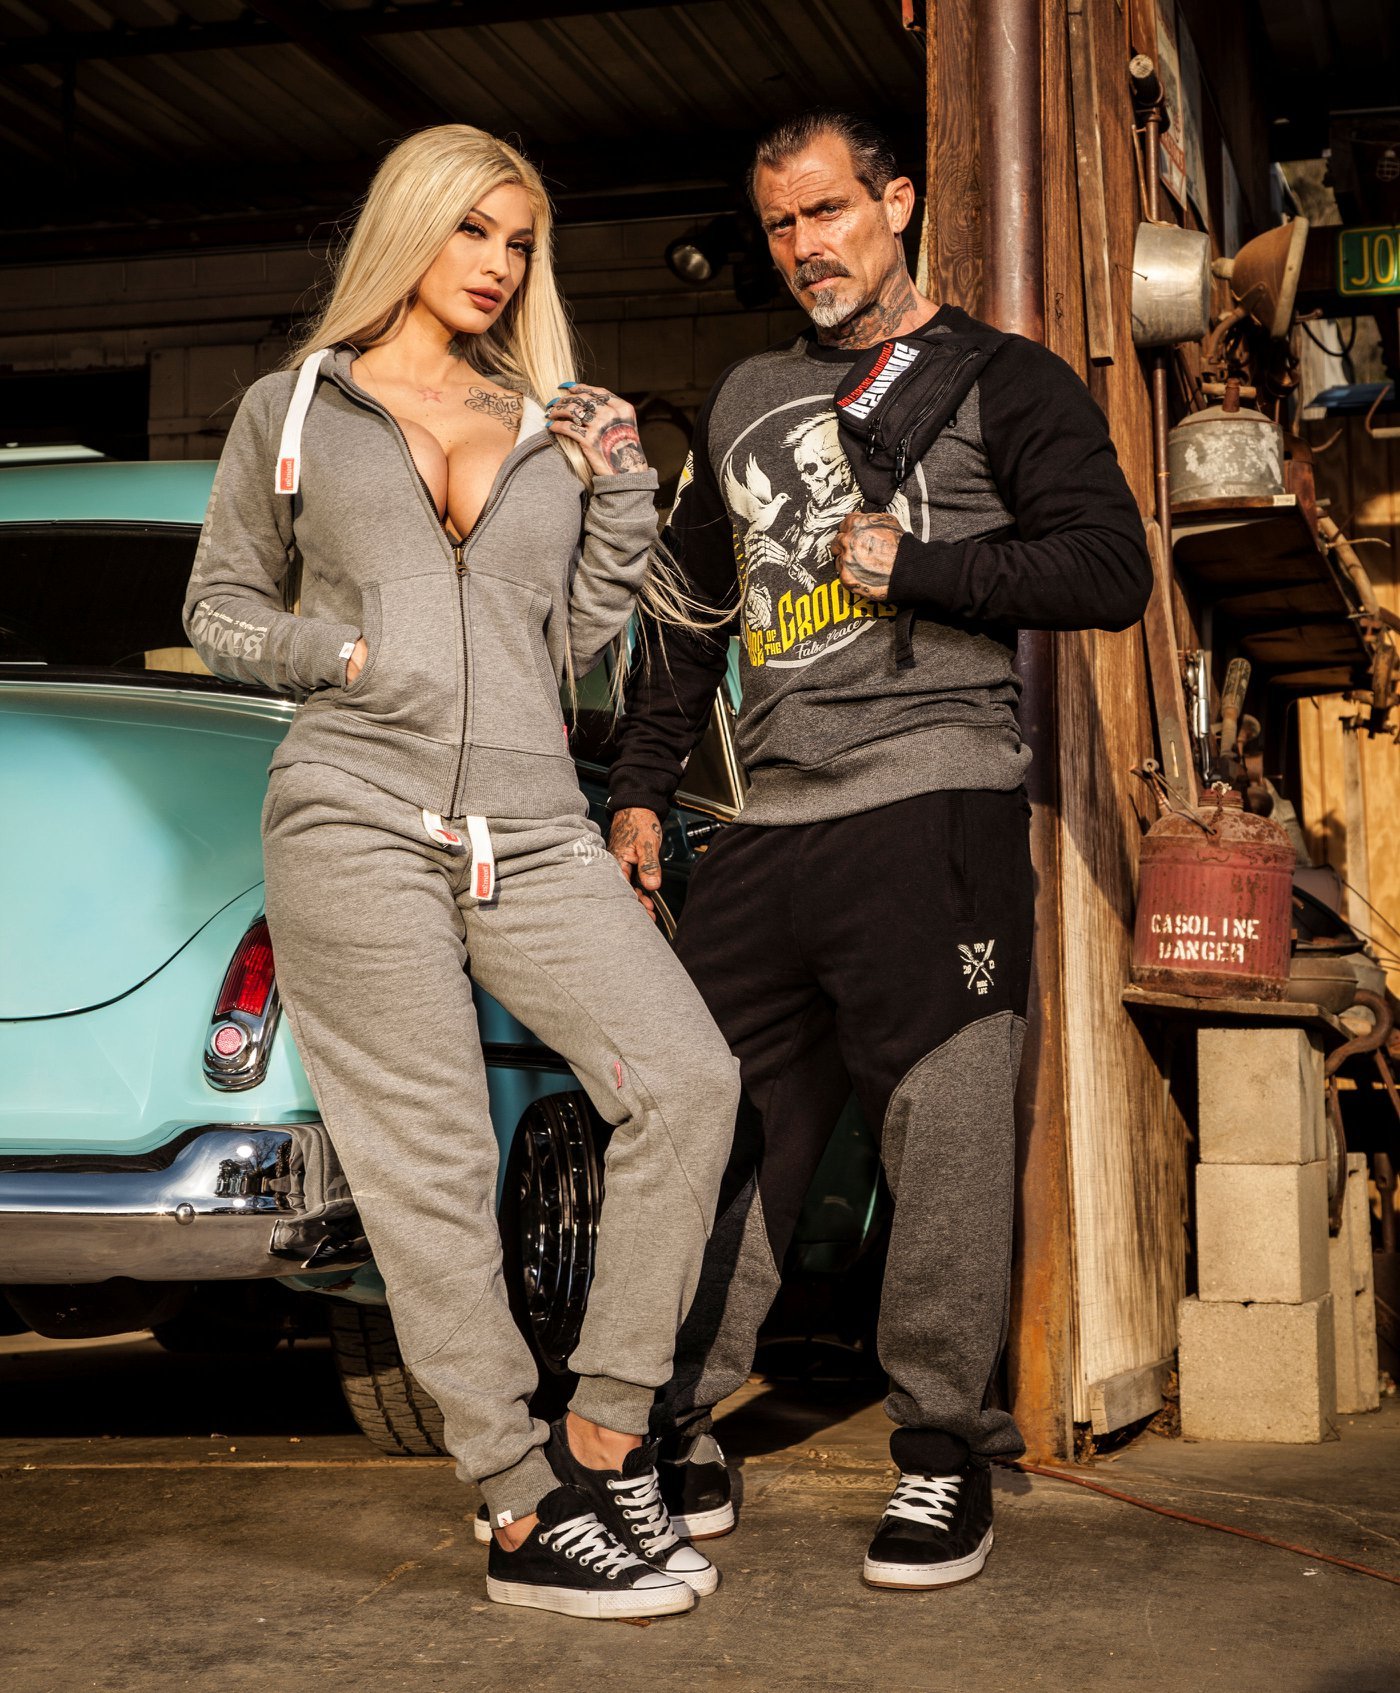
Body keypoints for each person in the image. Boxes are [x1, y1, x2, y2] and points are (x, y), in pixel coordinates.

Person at [183, 124, 741, 1622]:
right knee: (434, 1162)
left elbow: (573, 645)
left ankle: (606, 1432)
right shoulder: (295, 407)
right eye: (474, 231)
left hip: (534, 823)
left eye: (521, 243)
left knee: (688, 1080)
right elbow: (219, 605)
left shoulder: (540, 420)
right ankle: (513, 1497)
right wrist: (342, 655)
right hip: (352, 808)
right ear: (411, 227)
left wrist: (621, 494)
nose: (498, 265)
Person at [607, 109, 1152, 1590]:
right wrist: (642, 788)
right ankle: (675, 1418)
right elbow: (689, 616)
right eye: (782, 224)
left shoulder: (1000, 379)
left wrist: (922, 565)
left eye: (832, 211)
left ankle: (940, 1450)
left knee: (942, 1126)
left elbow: (1111, 564)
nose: (808, 247)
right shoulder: (745, 394)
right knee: (711, 1122)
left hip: (933, 801)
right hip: (766, 823)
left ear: (897, 204)